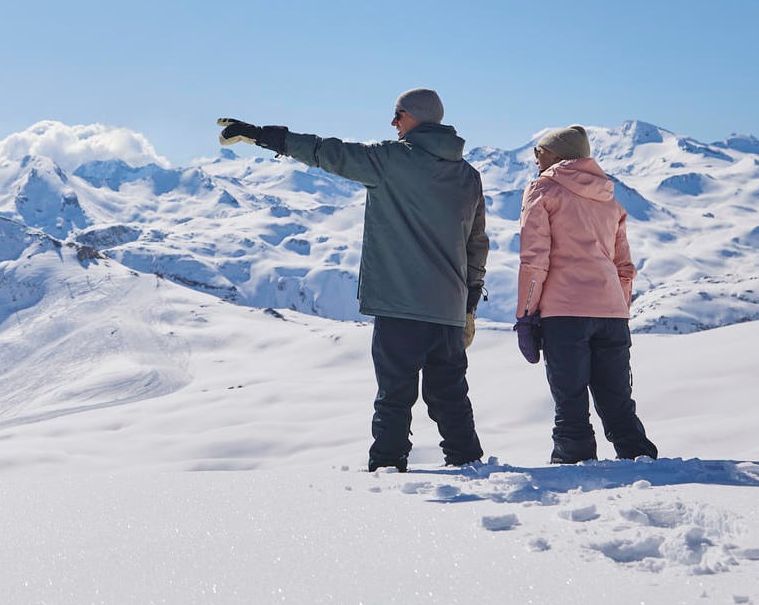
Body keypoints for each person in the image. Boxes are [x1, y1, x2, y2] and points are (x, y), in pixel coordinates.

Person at [218, 88, 488, 472]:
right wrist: (468, 306)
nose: (393, 122)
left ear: (416, 117)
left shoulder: (391, 160)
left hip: (400, 305)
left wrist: (262, 135)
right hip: (448, 309)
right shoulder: (468, 175)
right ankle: (470, 465)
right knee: (450, 395)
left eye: (398, 114)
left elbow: (325, 152)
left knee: (394, 395)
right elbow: (477, 245)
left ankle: (387, 469)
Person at [517, 125, 657, 464]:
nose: (535, 157)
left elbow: (535, 260)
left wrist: (526, 315)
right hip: (611, 314)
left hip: (564, 315)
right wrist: (617, 308)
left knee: (571, 402)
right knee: (617, 400)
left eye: (542, 151)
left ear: (560, 155)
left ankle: (572, 464)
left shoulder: (543, 189)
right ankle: (641, 460)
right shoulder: (609, 198)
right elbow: (624, 266)